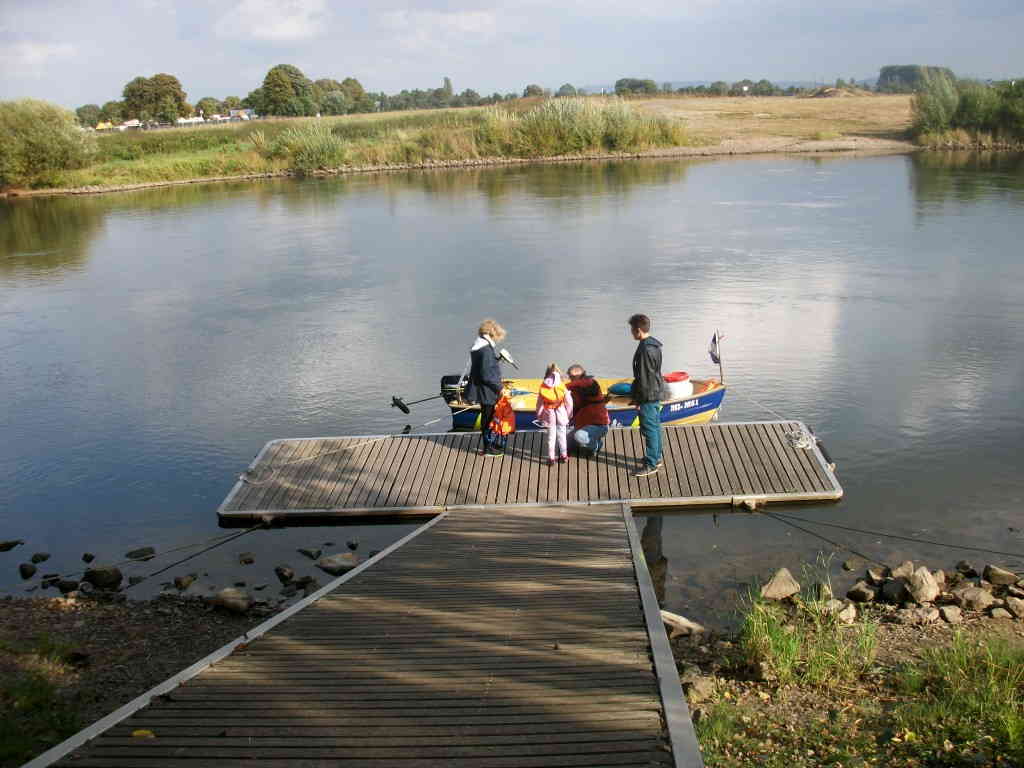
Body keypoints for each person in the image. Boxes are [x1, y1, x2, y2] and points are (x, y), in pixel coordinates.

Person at [628, 313, 663, 477]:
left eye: (632, 330)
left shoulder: (645, 349)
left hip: (648, 395)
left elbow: (644, 378)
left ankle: (651, 464)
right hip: (656, 392)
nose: (631, 333)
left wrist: (638, 400)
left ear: (638, 330)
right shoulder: (654, 345)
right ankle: (656, 457)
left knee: (649, 429)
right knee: (655, 426)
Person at [464, 319, 506, 456]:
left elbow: (484, 367)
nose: (499, 339)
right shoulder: (486, 350)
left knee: (487, 418)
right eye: (498, 336)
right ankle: (488, 448)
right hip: (487, 391)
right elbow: (487, 375)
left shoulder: (480, 346)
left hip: (482, 390)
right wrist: (500, 388)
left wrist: (497, 360)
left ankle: (489, 445)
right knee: (488, 420)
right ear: (492, 334)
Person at [565, 364, 610, 457]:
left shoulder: (591, 384)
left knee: (579, 436)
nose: (569, 379)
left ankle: (597, 446)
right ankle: (587, 442)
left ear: (576, 377)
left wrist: (561, 387)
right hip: (583, 426)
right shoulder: (575, 391)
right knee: (566, 443)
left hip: (599, 426)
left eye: (570, 377)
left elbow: (580, 383)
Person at [535, 363, 573, 466]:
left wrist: (539, 415)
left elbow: (539, 404)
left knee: (551, 437)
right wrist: (569, 415)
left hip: (549, 413)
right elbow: (569, 402)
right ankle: (564, 456)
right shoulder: (561, 386)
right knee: (562, 435)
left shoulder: (543, 386)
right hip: (561, 412)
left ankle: (551, 458)